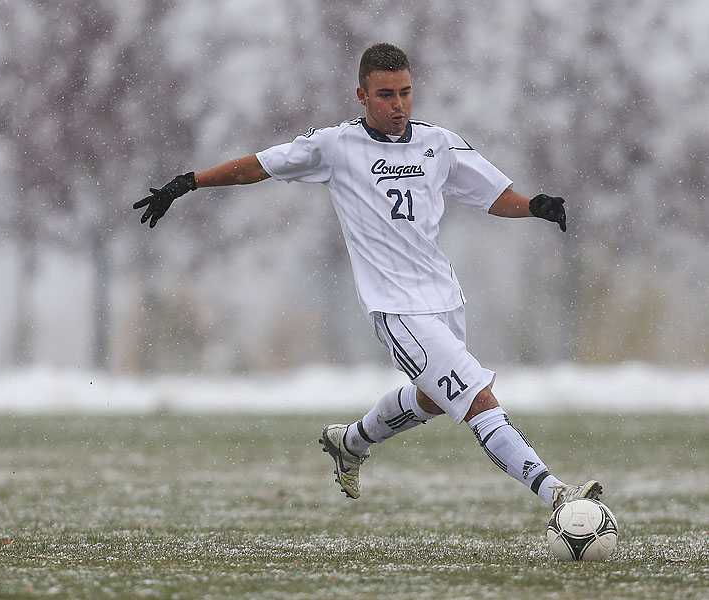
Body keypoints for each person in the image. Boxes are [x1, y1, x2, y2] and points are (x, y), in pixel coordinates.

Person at [133, 42, 600, 511]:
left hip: (445, 297)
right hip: (395, 307)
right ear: (362, 95)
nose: (398, 105)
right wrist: (188, 181)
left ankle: (352, 442)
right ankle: (557, 493)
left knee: (435, 398)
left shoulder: (439, 143)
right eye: (385, 95)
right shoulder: (335, 145)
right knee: (477, 397)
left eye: (405, 93)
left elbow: (493, 195)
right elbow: (258, 167)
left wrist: (533, 207)